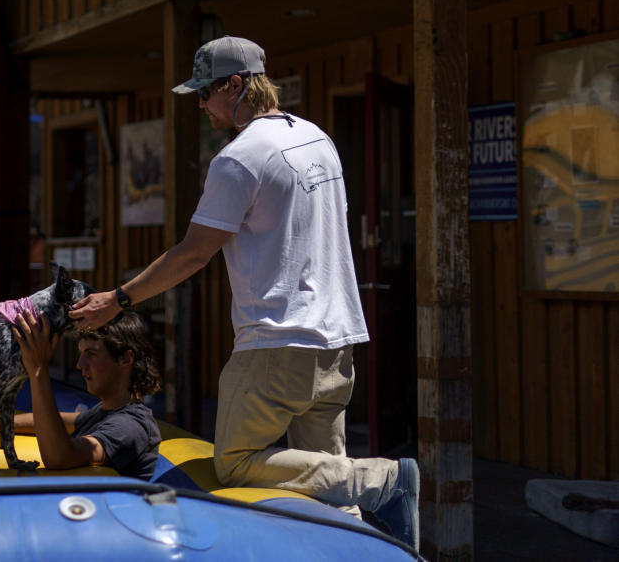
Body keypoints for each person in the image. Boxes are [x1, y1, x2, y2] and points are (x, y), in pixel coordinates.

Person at [68, 35, 421, 551]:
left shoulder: (238, 159)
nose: (202, 105)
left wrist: (118, 299)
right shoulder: (319, 139)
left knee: (234, 464)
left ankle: (384, 480)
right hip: (337, 341)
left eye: (206, 92)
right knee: (326, 489)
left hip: (275, 342)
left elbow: (194, 253)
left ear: (236, 85)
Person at [0, 312, 162, 480]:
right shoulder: (107, 412)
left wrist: (38, 370)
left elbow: (60, 458)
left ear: (125, 360)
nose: (80, 364)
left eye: (90, 354)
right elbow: (60, 421)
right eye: (81, 353)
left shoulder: (130, 426)